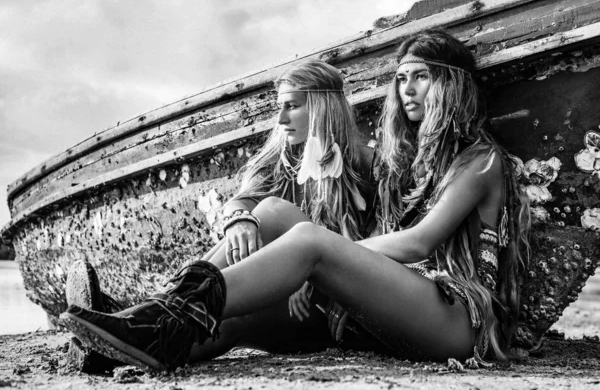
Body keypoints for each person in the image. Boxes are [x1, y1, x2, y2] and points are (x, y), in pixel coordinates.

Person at [60, 29, 530, 372]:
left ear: (452, 85)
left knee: (308, 240)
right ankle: (127, 340)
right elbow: (314, 166)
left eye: (422, 77)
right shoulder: (407, 161)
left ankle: (158, 313)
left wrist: (324, 266)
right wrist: (245, 214)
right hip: (400, 312)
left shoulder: (481, 160)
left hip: (459, 321)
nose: (406, 89)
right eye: (402, 77)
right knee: (262, 254)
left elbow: (417, 244)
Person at [65, 59, 379, 369]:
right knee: (227, 323)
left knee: (270, 210)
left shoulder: (370, 165)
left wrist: (326, 284)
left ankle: (140, 314)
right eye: (279, 107)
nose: (281, 119)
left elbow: (390, 246)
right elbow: (240, 202)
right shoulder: (282, 161)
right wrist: (239, 219)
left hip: (332, 312)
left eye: (292, 106)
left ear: (324, 106)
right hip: (287, 306)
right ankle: (109, 349)